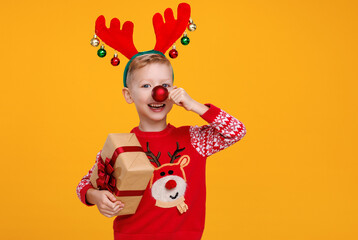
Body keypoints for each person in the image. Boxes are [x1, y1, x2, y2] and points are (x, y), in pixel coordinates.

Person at [76, 53, 247, 240]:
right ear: (128, 95)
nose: (158, 92)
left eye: (165, 85)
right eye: (146, 85)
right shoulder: (121, 146)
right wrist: (96, 197)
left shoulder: (194, 139)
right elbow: (84, 184)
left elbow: (236, 130)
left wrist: (194, 105)